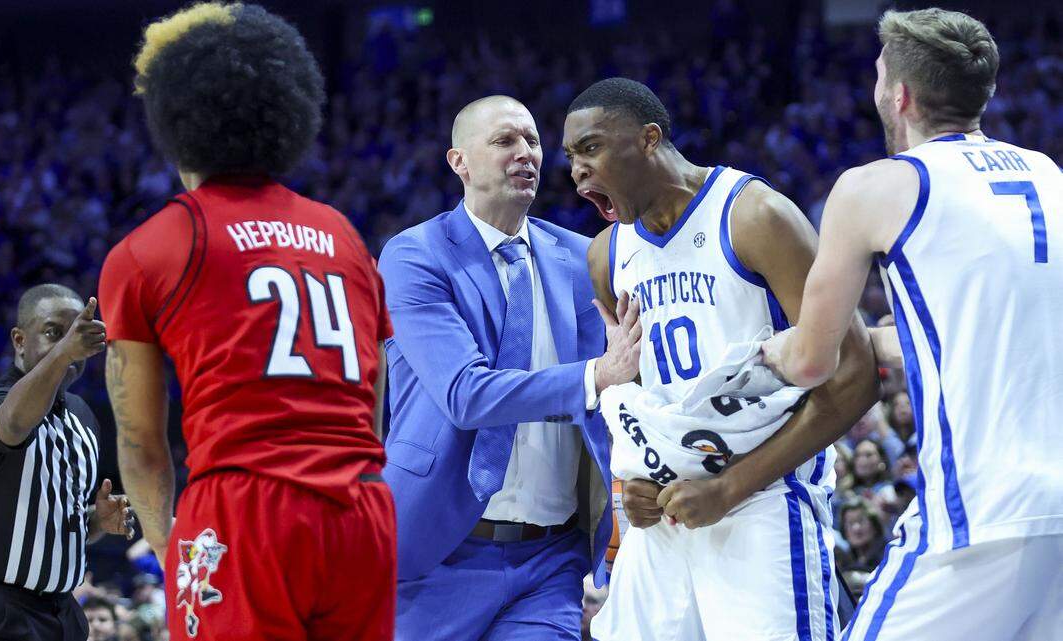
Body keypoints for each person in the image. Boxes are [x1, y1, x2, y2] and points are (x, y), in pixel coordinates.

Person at [761, 8, 1063, 640]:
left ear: (897, 93)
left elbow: (813, 361)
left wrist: (766, 352)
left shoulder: (876, 187)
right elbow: (989, 325)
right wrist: (880, 339)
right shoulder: (1046, 173)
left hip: (979, 514)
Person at [99, 4, 394, 640]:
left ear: (176, 115)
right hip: (363, 509)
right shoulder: (344, 236)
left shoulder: (152, 247)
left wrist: (170, 546)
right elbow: (373, 397)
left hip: (246, 508)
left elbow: (142, 443)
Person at [562, 77, 879, 641]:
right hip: (662, 517)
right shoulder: (606, 256)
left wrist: (728, 489)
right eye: (570, 157)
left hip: (761, 500)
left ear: (648, 139)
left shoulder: (753, 216)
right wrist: (631, 483)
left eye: (590, 148)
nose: (577, 171)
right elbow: (635, 398)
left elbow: (854, 377)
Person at [379, 94, 640, 641]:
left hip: (551, 558)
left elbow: (630, 378)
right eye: (504, 141)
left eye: (533, 142)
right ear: (460, 162)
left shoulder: (585, 256)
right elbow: (465, 395)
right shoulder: (415, 256)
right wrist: (596, 376)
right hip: (439, 550)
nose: (525, 153)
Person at [0, 284, 133, 641]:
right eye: (53, 332)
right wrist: (62, 354)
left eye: (75, 333)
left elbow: (59, 523)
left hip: (62, 613)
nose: (68, 344)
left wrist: (97, 520)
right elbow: (14, 424)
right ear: (19, 340)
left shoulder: (83, 416)